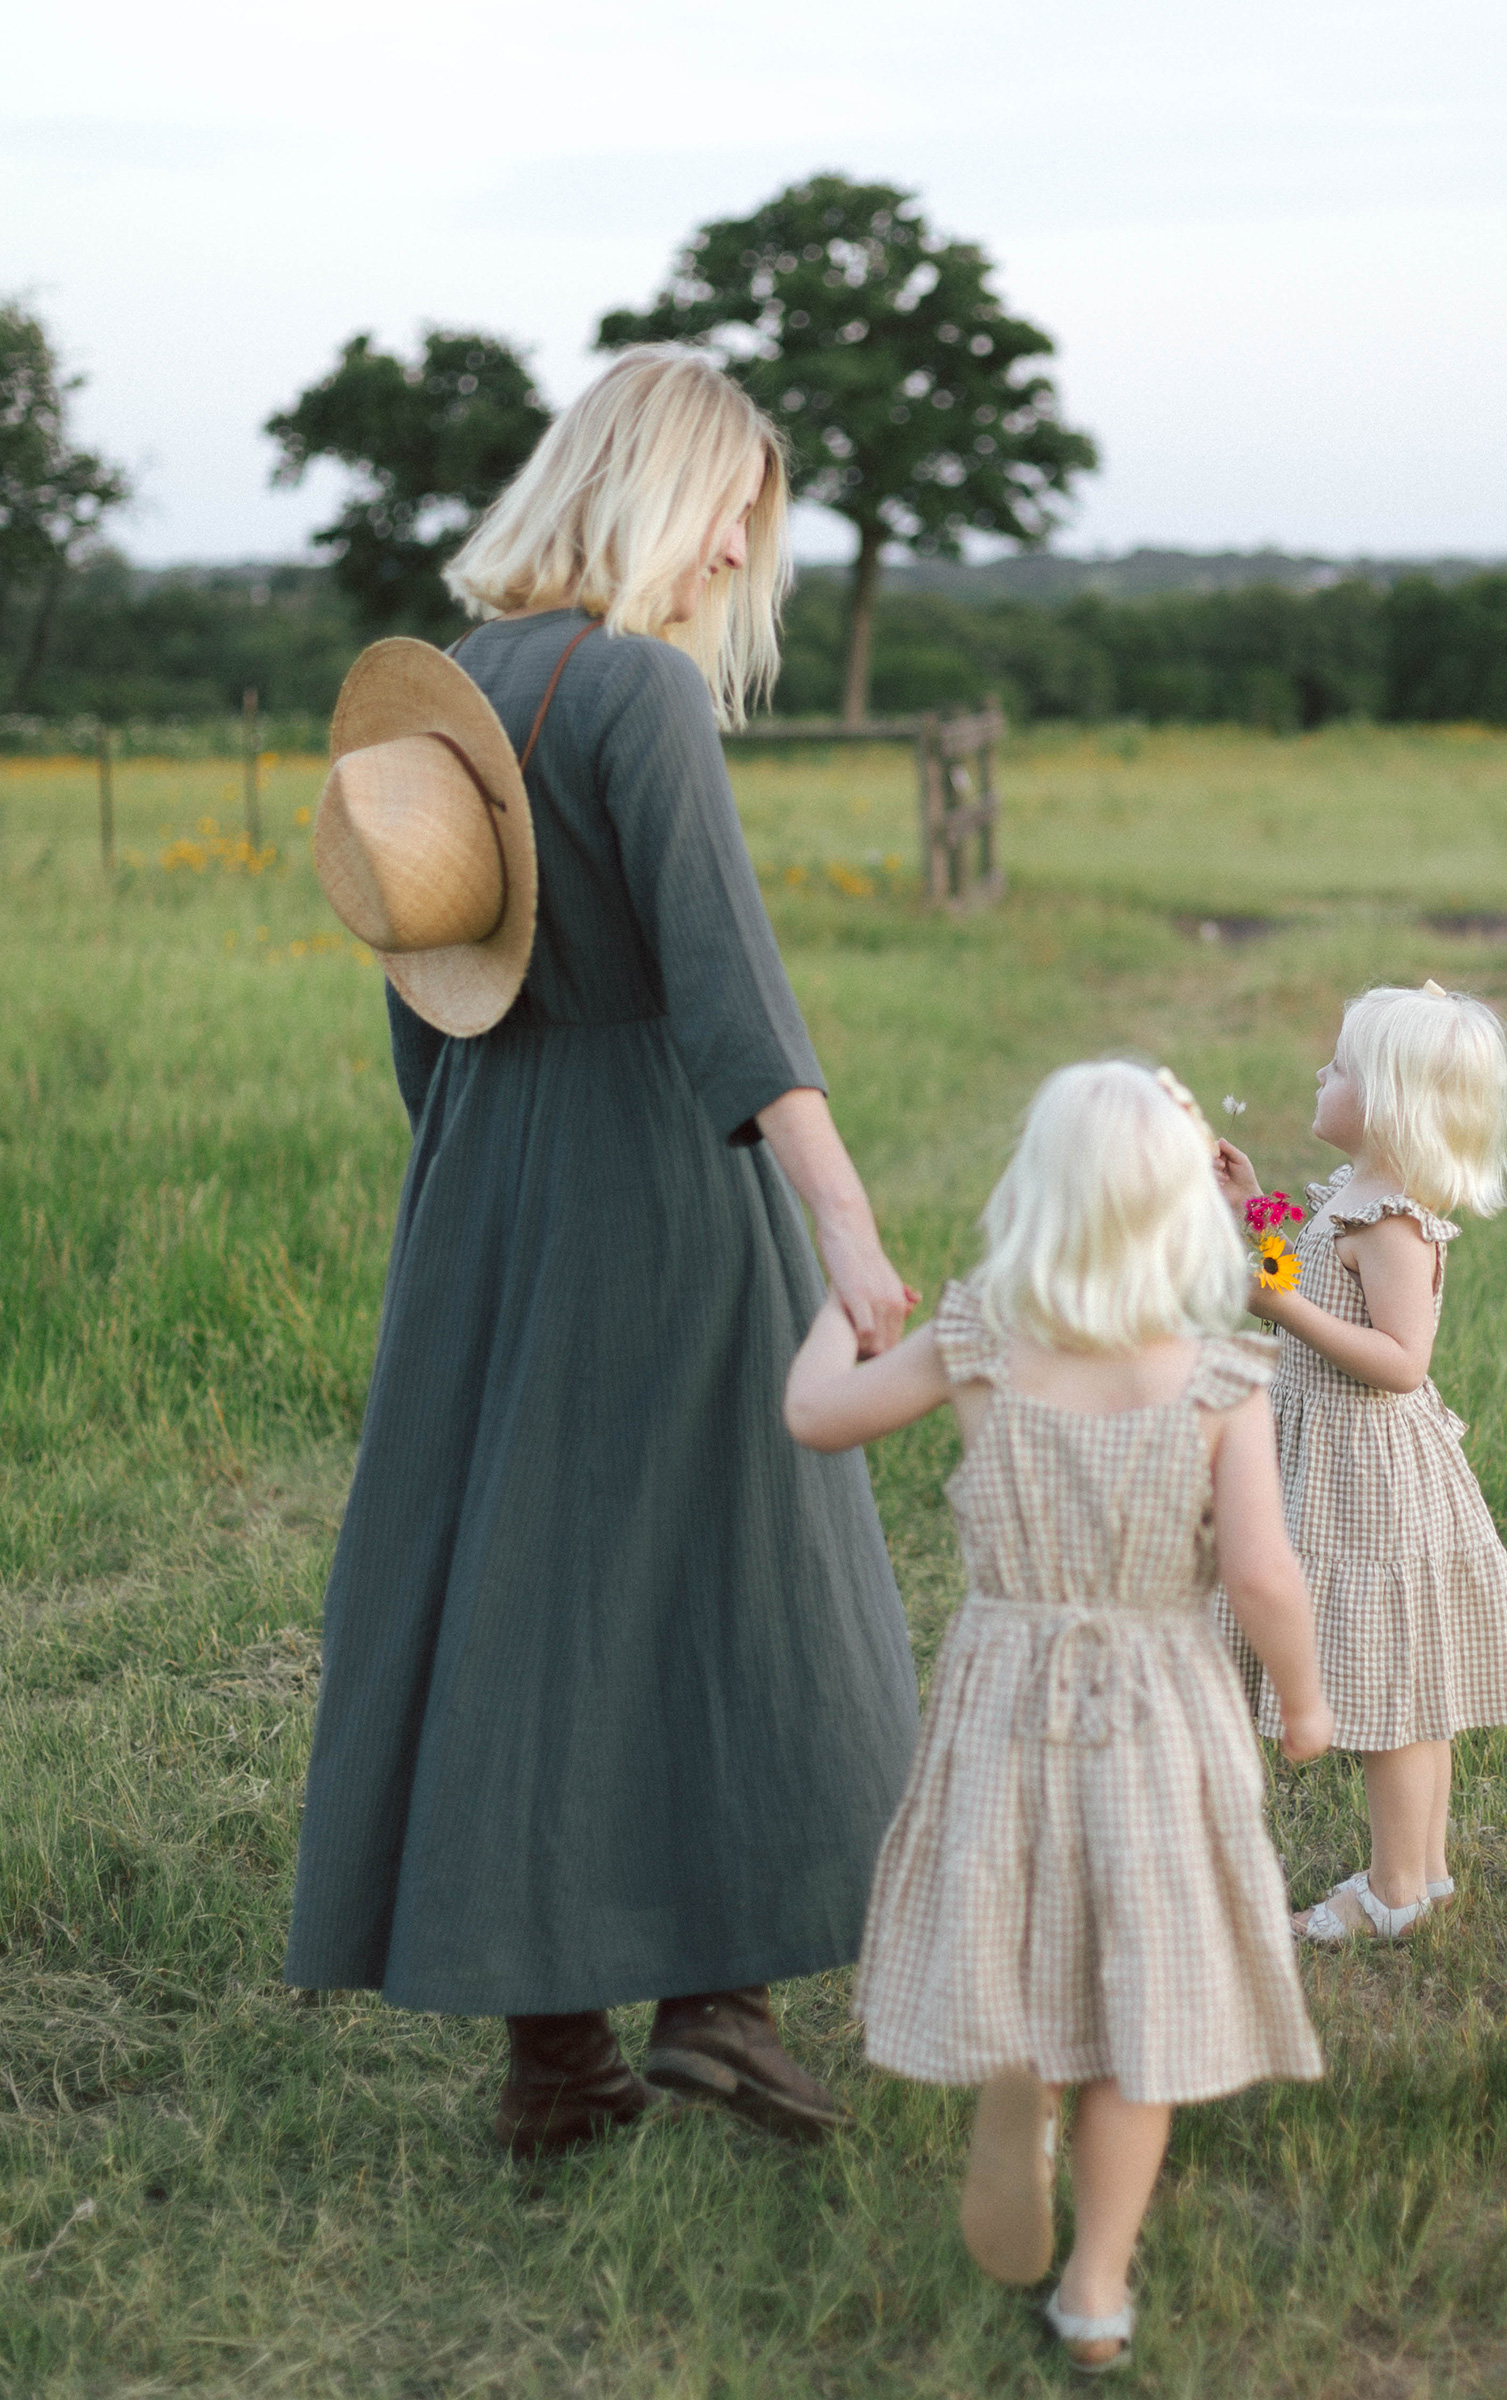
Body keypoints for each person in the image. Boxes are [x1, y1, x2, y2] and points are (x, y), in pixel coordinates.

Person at [285, 346, 921, 2154]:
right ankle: (718, 1996)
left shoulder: (459, 686)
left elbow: (427, 1009)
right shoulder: (638, 691)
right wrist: (847, 1220)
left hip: (488, 1174)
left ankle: (553, 2063)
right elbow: (731, 990)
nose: (737, 552)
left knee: (527, 1599)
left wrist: (487, 1187)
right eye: (732, 506)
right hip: (663, 1162)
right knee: (744, 1567)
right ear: (658, 492)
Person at [784, 1061, 1332, 2374]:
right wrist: (1304, 1702)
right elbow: (1260, 1574)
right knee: (1145, 1982)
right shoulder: (1222, 1377)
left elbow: (814, 1418)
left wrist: (836, 1307)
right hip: (1159, 1713)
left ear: (1033, 1198)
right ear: (1184, 1219)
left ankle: (1021, 2069)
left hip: (1005, 1697)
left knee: (1026, 1901)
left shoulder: (976, 1337)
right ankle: (1095, 2287)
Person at [1214, 980, 1507, 1945]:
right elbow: (1304, 1259)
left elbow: (1403, 1362)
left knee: (1391, 1688)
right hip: (1334, 1462)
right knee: (1403, 1684)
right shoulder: (1352, 1201)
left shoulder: (1396, 1226)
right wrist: (1252, 1206)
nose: (1322, 1074)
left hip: (1371, 1473)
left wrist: (1279, 1312)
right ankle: (1424, 1877)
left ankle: (1394, 1889)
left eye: (1342, 1066)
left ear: (1390, 1101)